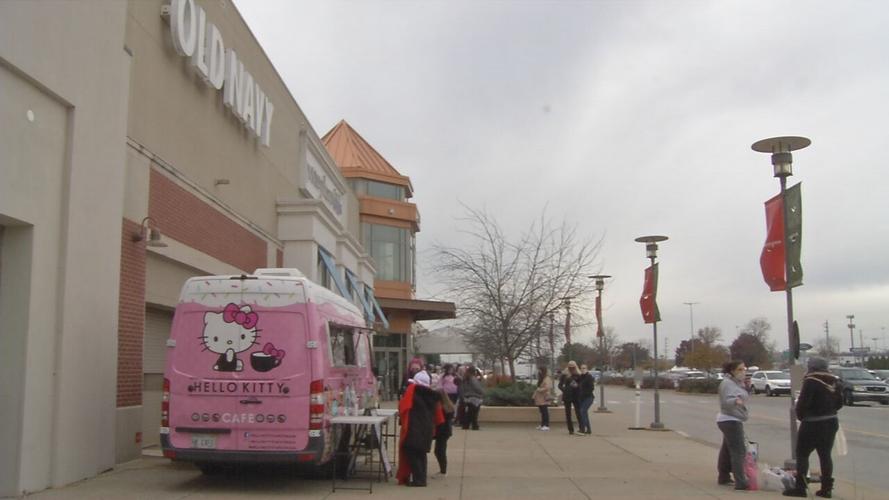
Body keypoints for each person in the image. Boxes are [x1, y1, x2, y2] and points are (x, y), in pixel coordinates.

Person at [783, 357, 843, 498]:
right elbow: (840, 403)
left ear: (811, 367)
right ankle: (827, 488)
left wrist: (801, 416)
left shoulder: (811, 381)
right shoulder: (835, 381)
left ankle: (800, 487)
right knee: (825, 455)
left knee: (802, 454)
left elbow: (803, 403)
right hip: (831, 421)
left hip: (812, 423)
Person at [397, 370, 444, 487]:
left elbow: (403, 406)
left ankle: (419, 479)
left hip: (414, 428)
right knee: (421, 453)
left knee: (411, 451)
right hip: (426, 429)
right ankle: (421, 478)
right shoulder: (431, 396)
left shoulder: (414, 393)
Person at [716, 360, 750, 490]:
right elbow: (726, 401)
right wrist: (736, 401)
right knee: (738, 451)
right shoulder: (727, 384)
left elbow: (743, 395)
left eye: (744, 369)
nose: (743, 372)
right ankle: (741, 481)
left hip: (732, 418)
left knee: (727, 449)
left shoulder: (735, 383)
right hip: (730, 419)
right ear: (732, 371)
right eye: (740, 369)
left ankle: (723, 476)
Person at [432, 388, 455, 478]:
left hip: (442, 431)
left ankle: (443, 471)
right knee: (440, 450)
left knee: (439, 451)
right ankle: (443, 470)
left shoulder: (441, 407)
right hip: (446, 431)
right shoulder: (448, 406)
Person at [558, 361, 582, 435]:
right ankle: (570, 429)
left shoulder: (578, 374)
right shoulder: (564, 375)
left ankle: (581, 428)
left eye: (573, 367)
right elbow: (560, 385)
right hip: (567, 396)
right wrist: (565, 390)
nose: (571, 368)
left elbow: (580, 385)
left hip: (576, 395)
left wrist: (577, 386)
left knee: (578, 412)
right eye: (570, 367)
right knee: (568, 413)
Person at [577, 364, 596, 435]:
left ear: (587, 369)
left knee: (582, 411)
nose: (582, 369)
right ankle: (588, 429)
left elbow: (591, 388)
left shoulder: (589, 377)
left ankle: (583, 429)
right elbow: (577, 384)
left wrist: (584, 393)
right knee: (584, 413)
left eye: (584, 368)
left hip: (589, 397)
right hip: (582, 398)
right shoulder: (581, 377)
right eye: (581, 368)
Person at [533, 366, 552, 431]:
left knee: (544, 411)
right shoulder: (541, 378)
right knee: (542, 411)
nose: (539, 372)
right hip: (539, 398)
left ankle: (546, 425)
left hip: (544, 397)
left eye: (540, 370)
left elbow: (547, 387)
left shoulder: (547, 378)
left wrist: (540, 390)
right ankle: (542, 424)